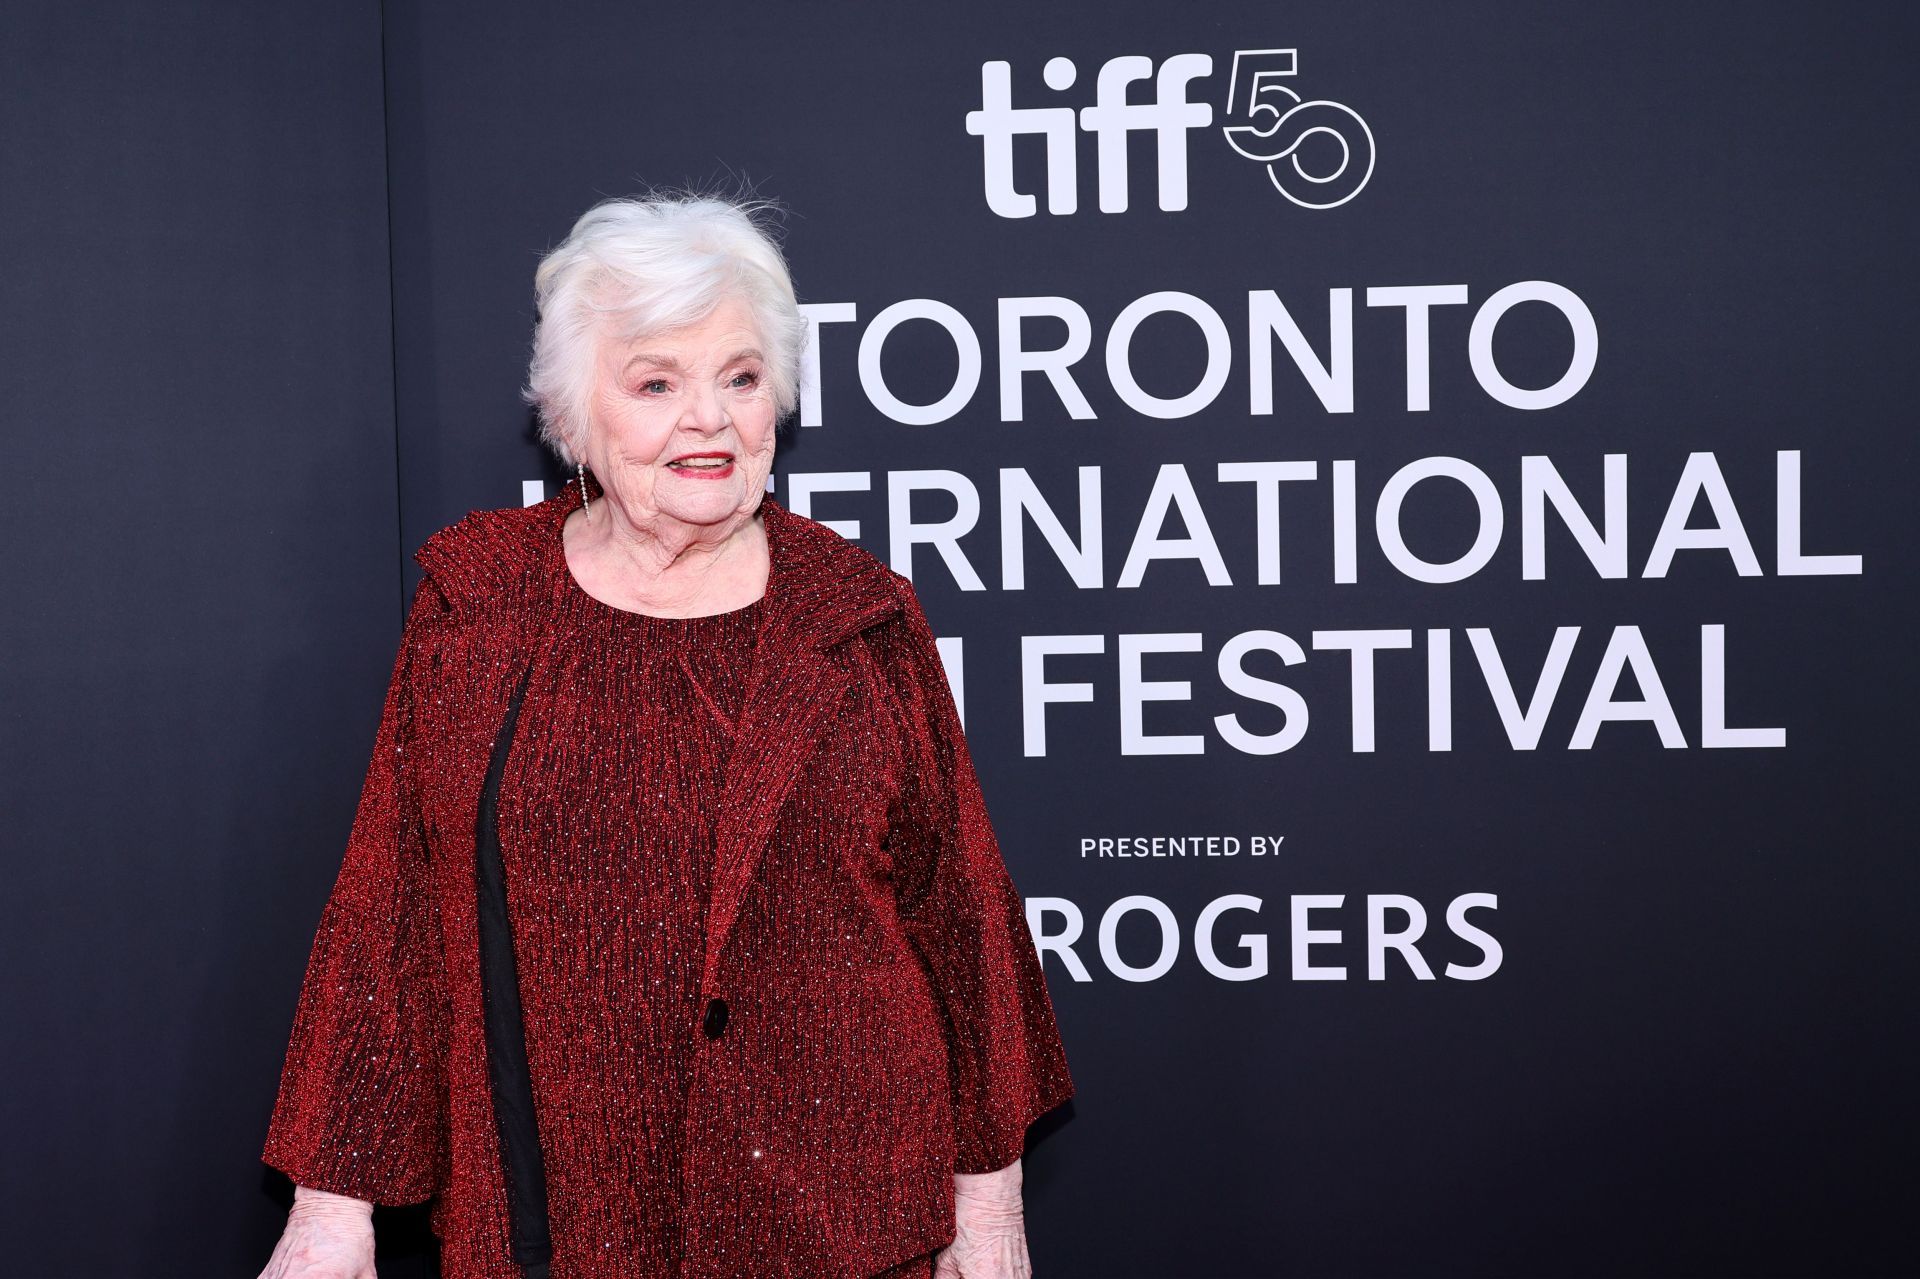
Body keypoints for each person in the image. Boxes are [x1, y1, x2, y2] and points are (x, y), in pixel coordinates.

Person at [256, 194, 1074, 1279]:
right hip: (563, 1221)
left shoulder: (857, 613)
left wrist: (989, 1205)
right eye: (655, 383)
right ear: (573, 416)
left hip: (839, 1224)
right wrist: (331, 1208)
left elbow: (960, 917)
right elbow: (392, 910)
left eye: (741, 378)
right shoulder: (481, 601)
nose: (711, 420)